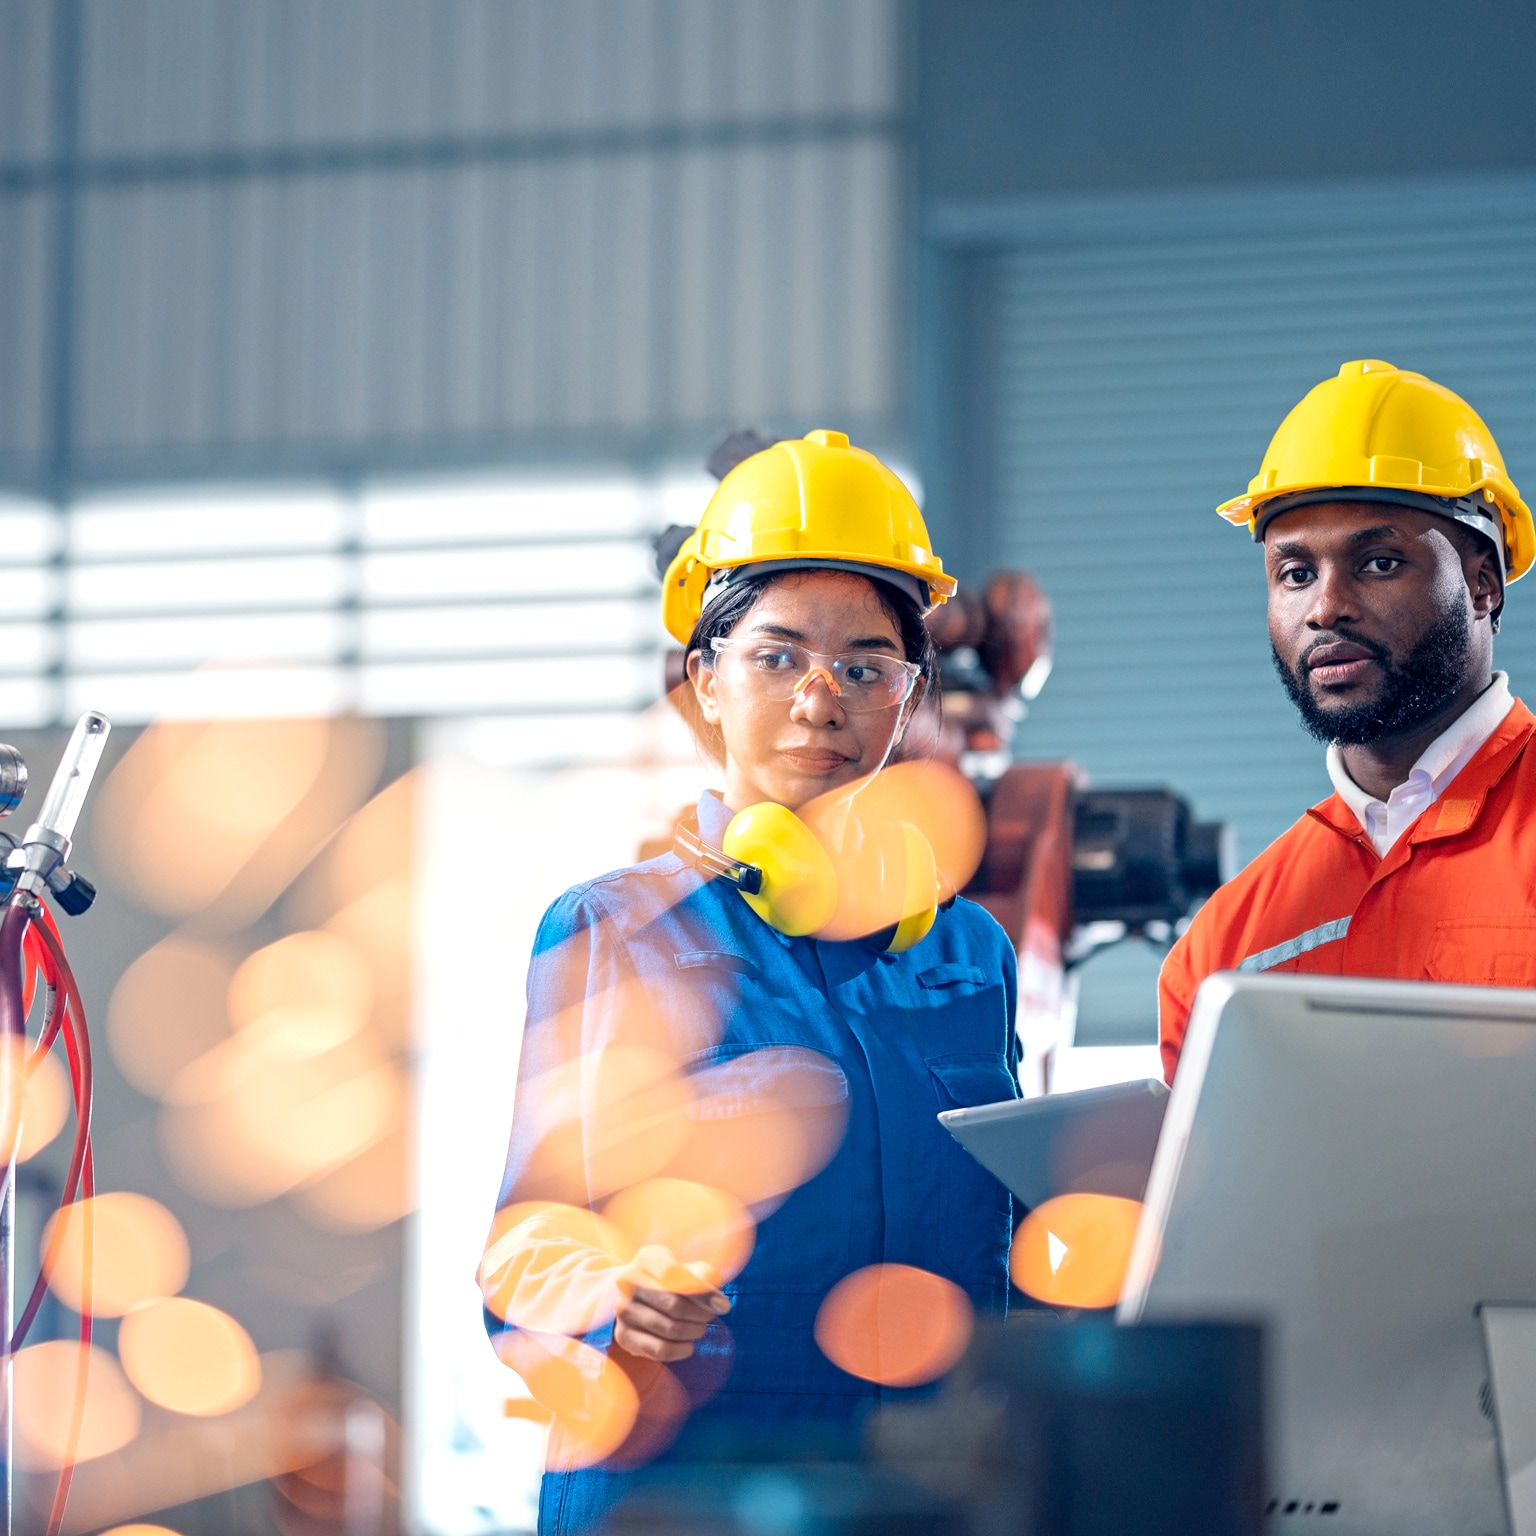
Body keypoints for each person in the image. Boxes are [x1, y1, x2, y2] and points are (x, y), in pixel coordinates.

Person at [482, 430, 1021, 1535]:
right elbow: (526, 1248)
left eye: (866, 668)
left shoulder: (969, 953)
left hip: (914, 1493)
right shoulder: (614, 932)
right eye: (778, 656)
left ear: (908, 699)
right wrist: (611, 1306)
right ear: (705, 684)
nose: (822, 701)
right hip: (679, 1491)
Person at [1160, 360, 1536, 1079]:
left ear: (1483, 582)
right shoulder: (1225, 946)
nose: (1325, 607)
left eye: (1381, 563)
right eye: (1295, 574)